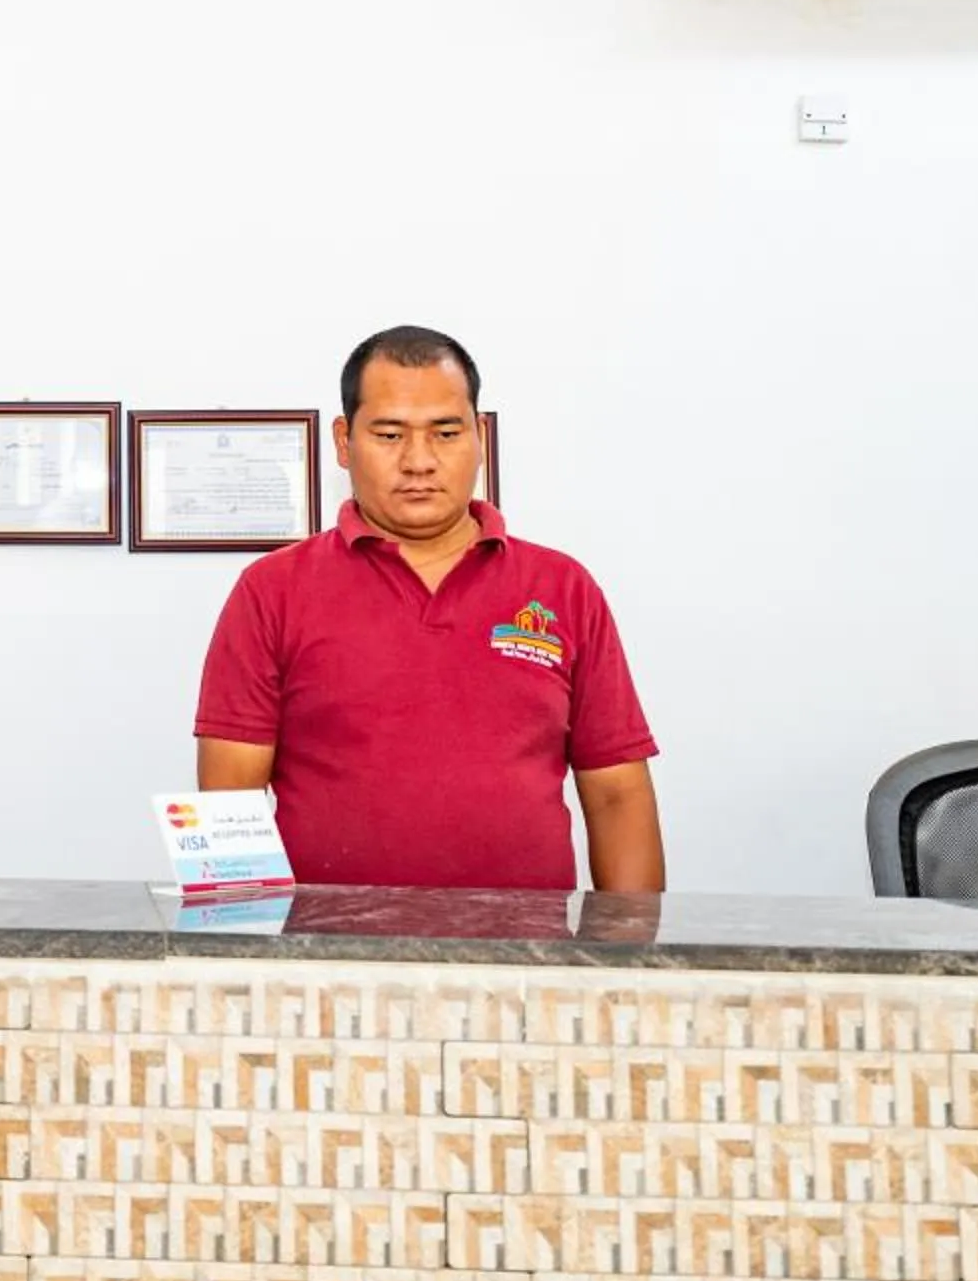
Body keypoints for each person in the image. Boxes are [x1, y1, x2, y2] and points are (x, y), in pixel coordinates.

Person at [194, 325, 665, 891]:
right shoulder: (271, 591)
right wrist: (247, 967)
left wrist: (628, 964)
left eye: (445, 432)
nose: (419, 461)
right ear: (344, 442)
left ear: (479, 436)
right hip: (323, 962)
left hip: (526, 961)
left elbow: (617, 794)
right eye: (390, 435)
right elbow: (228, 807)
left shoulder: (562, 587)